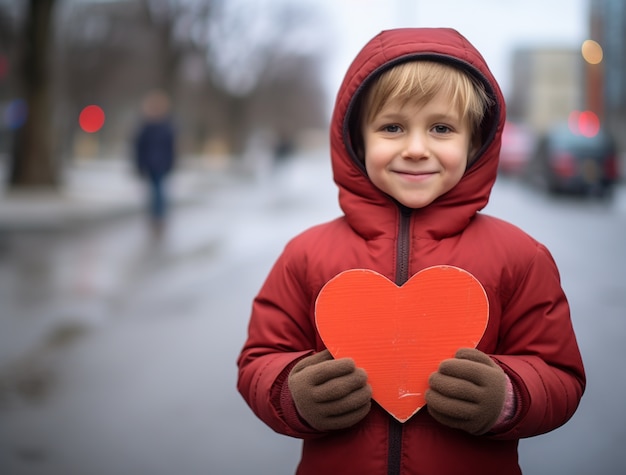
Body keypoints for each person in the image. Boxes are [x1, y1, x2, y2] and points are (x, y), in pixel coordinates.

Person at [237, 28, 585, 475]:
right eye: (392, 127)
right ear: (358, 141)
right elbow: (258, 360)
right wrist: (291, 394)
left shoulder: (520, 257)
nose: (416, 148)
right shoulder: (305, 255)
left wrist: (508, 396)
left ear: (475, 142)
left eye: (441, 128)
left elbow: (561, 374)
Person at [133, 89, 176, 233]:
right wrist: (139, 164)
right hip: (149, 164)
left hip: (161, 164)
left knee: (158, 191)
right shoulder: (146, 128)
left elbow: (171, 148)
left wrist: (171, 163)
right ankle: (155, 215)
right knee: (153, 191)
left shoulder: (166, 127)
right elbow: (139, 147)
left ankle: (158, 216)